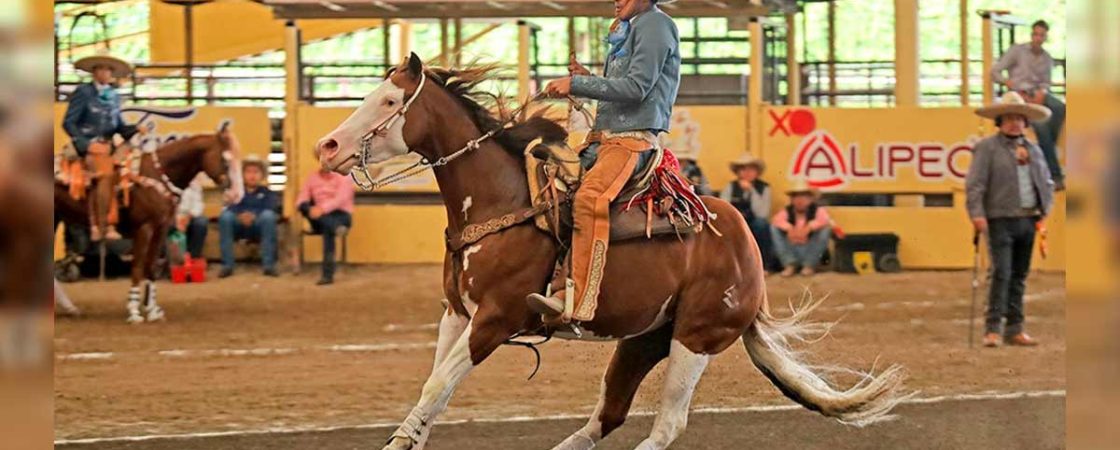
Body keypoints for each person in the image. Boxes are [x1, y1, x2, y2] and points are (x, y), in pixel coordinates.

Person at [526, 0, 681, 322]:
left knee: (589, 199)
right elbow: (625, 86)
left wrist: (578, 84)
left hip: (632, 141)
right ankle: (547, 281)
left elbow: (638, 88)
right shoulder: (634, 26)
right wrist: (588, 78)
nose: (616, 0)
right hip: (604, 140)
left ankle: (580, 298)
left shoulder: (655, 24)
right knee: (549, 192)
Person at [966, 91, 1054, 348]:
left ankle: (1015, 328)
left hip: (1029, 219)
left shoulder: (1034, 150)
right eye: (1009, 118)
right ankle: (993, 328)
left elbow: (1046, 181)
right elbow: (976, 185)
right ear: (1000, 121)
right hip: (999, 218)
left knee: (1019, 274)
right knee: (1002, 272)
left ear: (1025, 122)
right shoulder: (986, 148)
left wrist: (1044, 208)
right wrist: (977, 214)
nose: (1015, 123)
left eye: (1019, 118)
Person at [62, 52, 138, 241]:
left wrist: (136, 128)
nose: (106, 73)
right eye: (102, 69)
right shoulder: (83, 92)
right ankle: (103, 224)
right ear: (94, 72)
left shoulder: (114, 96)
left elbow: (119, 126)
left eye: (109, 70)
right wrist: (86, 144)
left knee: (135, 165)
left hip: (109, 146)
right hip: (89, 146)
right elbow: (68, 123)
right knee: (106, 173)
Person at [990, 19, 1065, 190]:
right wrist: (1007, 82)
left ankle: (1049, 147)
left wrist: (1042, 93)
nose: (1037, 38)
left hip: (1037, 93)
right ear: (1032, 34)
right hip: (1019, 93)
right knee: (1041, 125)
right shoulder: (1017, 51)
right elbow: (995, 71)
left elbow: (1046, 82)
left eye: (1041, 35)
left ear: (1045, 37)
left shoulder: (1047, 58)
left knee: (1060, 108)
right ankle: (1055, 174)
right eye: (1035, 34)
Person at [218, 155, 279, 278]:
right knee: (225, 217)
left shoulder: (268, 193)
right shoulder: (235, 191)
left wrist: (253, 215)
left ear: (262, 175)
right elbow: (228, 206)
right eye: (248, 172)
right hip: (237, 224)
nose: (252, 175)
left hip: (258, 225)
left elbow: (271, 207)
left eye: (256, 172)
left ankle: (268, 266)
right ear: (242, 175)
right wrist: (240, 215)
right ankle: (227, 266)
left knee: (268, 216)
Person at [720, 153, 778, 272]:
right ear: (738, 172)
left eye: (751, 169)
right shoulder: (730, 187)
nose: (747, 172)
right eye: (743, 169)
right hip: (735, 222)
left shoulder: (765, 188)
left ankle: (764, 266)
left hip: (754, 222)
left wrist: (751, 191)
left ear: (757, 172)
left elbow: (762, 213)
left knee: (761, 225)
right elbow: (723, 208)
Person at [297, 167, 355, 285]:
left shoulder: (344, 177)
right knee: (306, 210)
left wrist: (322, 209)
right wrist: (309, 208)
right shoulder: (312, 178)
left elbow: (340, 200)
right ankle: (336, 228)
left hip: (340, 215)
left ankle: (327, 275)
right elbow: (301, 198)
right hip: (319, 217)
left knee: (327, 227)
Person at [770, 180, 832, 277]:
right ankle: (789, 265)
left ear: (811, 199)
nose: (800, 200)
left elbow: (825, 220)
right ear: (792, 200)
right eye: (796, 197)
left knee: (825, 230)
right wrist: (789, 228)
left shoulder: (817, 210)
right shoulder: (787, 211)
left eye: (804, 196)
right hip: (791, 249)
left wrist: (809, 228)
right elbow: (775, 220)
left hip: (809, 250)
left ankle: (809, 266)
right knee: (774, 229)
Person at [176, 175, 209, 258]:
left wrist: (188, 217)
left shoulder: (194, 182)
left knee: (201, 222)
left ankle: (194, 257)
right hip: (173, 216)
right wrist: (176, 219)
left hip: (189, 216)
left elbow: (198, 204)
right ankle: (172, 260)